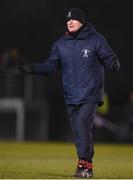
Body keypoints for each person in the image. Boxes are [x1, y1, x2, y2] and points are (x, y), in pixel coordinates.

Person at [19, 7, 120, 178]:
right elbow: (51, 67)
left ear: (82, 22)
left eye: (73, 19)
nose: (70, 22)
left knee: (82, 126)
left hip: (90, 94)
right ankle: (87, 166)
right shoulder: (60, 44)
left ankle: (84, 165)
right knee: (80, 133)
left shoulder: (95, 39)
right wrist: (32, 68)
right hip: (71, 96)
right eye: (68, 20)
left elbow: (110, 58)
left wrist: (113, 63)